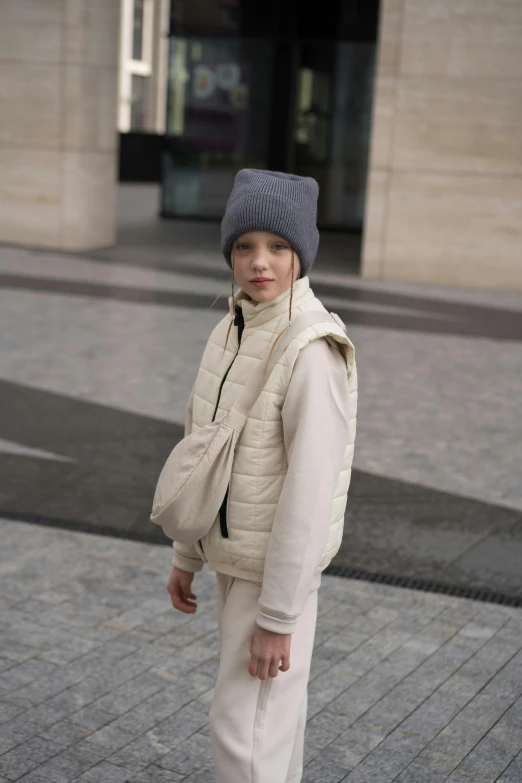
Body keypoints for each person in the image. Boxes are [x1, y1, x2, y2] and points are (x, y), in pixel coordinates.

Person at [166, 169, 357, 783]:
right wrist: (186, 553)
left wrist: (279, 617)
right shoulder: (234, 325)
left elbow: (310, 490)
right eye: (245, 246)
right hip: (233, 553)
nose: (260, 263)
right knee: (268, 724)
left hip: (272, 571)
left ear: (302, 252)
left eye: (278, 246)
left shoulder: (311, 348)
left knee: (246, 725)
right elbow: (203, 447)